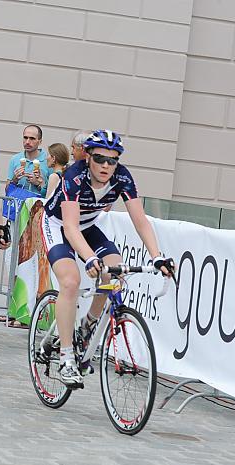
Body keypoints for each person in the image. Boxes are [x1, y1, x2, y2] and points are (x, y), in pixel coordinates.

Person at [41, 129, 174, 386]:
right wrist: (90, 258)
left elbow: (140, 221)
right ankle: (66, 357)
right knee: (70, 282)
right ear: (88, 156)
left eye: (112, 160)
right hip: (57, 225)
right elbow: (69, 227)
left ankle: (87, 325)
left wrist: (157, 256)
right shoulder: (74, 176)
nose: (105, 165)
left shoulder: (123, 178)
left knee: (115, 273)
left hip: (88, 226)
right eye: (100, 158)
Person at [6, 125, 52, 197]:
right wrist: (14, 180)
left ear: (40, 142)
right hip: (18, 206)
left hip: (39, 206)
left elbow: (53, 193)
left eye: (32, 138)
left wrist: (39, 184)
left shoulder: (48, 159)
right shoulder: (15, 159)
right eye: (25, 137)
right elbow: (7, 191)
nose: (27, 142)